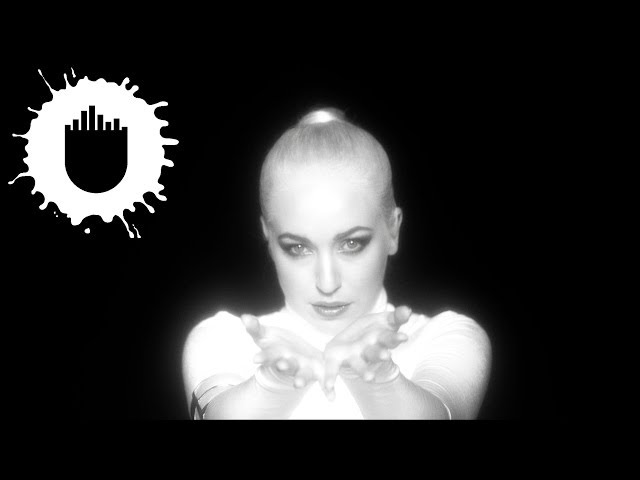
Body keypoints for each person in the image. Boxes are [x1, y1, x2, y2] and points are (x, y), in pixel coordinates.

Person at [182, 107, 492, 419]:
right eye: (298, 247)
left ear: (393, 230)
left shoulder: (447, 335)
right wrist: (273, 383)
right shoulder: (223, 338)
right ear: (268, 238)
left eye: (352, 244)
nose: (327, 283)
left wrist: (376, 378)